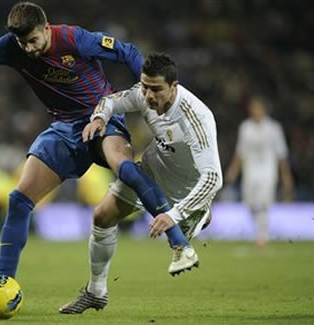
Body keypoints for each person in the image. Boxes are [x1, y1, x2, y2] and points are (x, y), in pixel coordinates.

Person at [0, 2, 190, 313]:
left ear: (46, 27)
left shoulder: (75, 39)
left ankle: (178, 241)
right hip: (65, 130)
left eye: (33, 41)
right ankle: (2, 288)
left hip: (103, 119)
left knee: (126, 169)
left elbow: (129, 51)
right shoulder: (12, 46)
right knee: (19, 199)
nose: (28, 48)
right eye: (23, 43)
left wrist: (148, 94)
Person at [59, 52, 223, 314]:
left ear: (174, 87)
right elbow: (108, 101)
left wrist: (174, 214)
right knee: (101, 216)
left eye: (156, 89)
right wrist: (99, 118)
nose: (148, 96)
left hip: (185, 191)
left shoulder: (196, 118)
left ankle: (200, 212)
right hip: (151, 172)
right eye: (145, 86)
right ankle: (96, 292)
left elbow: (213, 178)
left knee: (185, 233)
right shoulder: (143, 93)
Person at [225, 96, 293, 248]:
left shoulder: (274, 128)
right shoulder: (245, 127)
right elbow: (240, 153)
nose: (254, 111)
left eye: (257, 108)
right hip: (250, 173)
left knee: (263, 204)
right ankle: (260, 230)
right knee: (250, 205)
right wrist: (233, 171)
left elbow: (281, 155)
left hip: (268, 173)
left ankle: (262, 236)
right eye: (252, 108)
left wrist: (286, 177)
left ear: (263, 110)